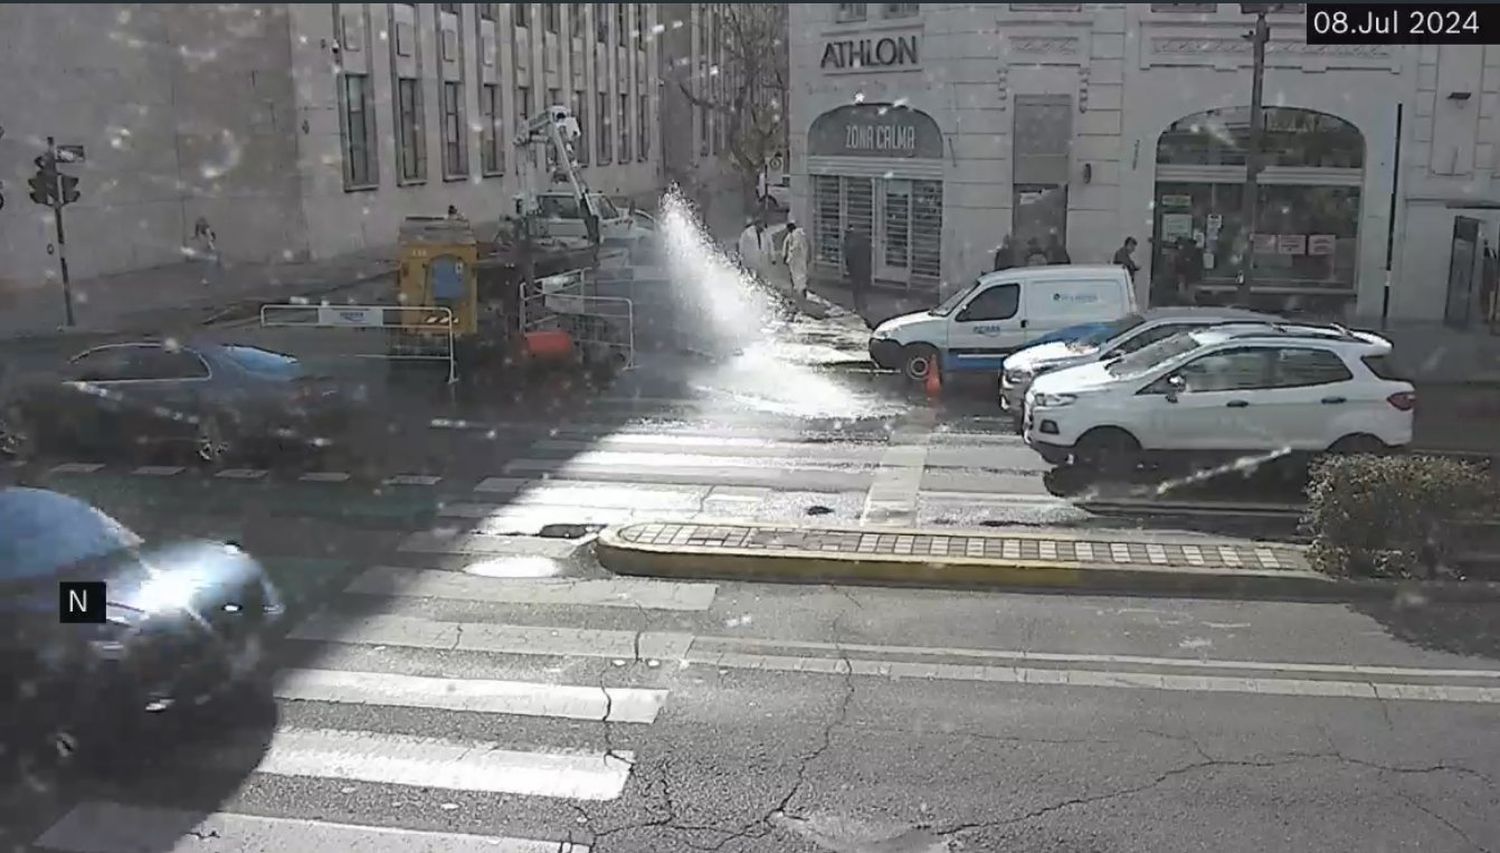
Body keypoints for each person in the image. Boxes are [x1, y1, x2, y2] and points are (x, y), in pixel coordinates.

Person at [842, 224, 872, 315]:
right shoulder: (863, 241)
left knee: (856, 288)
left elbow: (849, 258)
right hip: (863, 267)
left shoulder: (850, 244)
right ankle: (863, 305)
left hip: (855, 268)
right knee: (861, 287)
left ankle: (858, 307)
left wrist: (849, 268)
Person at [782, 220, 810, 305]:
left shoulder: (796, 235)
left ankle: (801, 293)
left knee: (797, 276)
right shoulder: (799, 234)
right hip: (800, 259)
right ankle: (801, 292)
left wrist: (788, 257)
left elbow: (794, 248)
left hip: (796, 260)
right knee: (800, 276)